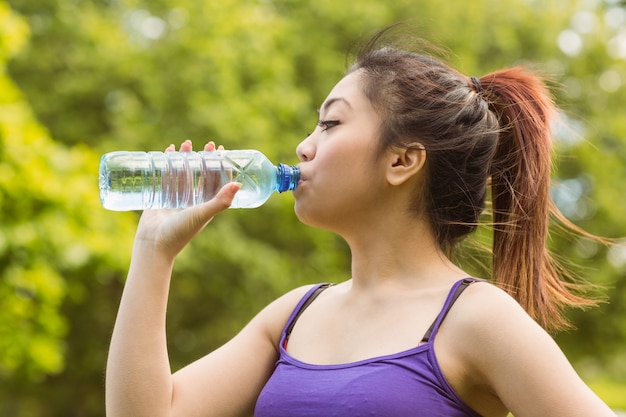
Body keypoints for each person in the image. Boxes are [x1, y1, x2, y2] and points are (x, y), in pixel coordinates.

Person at [105, 27, 617, 417]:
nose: (304, 146)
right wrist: (153, 249)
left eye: (330, 123)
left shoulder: (478, 319)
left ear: (402, 161)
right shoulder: (292, 316)